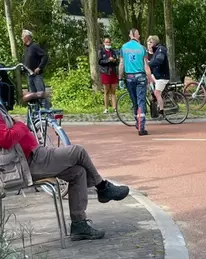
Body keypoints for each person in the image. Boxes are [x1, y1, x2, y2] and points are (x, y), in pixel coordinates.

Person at [0, 94, 130, 240]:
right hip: (28, 163)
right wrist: (21, 126)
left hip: (35, 156)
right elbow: (5, 139)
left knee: (78, 172)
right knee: (78, 151)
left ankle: (79, 225)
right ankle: (103, 188)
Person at [119, 28, 154, 136]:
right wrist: (150, 78)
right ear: (137, 35)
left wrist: (120, 78)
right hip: (141, 77)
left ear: (130, 35)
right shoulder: (142, 48)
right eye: (138, 34)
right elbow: (146, 65)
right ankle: (141, 127)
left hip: (129, 77)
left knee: (135, 101)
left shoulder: (123, 48)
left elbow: (121, 64)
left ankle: (137, 120)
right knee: (141, 101)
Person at [21, 30, 50, 109]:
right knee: (33, 96)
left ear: (27, 37)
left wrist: (39, 67)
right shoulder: (26, 48)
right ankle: (36, 114)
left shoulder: (34, 46)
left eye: (23, 37)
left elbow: (45, 56)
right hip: (29, 75)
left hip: (36, 75)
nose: (22, 38)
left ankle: (48, 112)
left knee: (41, 94)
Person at [146, 35, 170, 118]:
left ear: (155, 42)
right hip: (157, 75)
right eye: (148, 43)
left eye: (151, 42)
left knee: (157, 92)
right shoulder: (154, 51)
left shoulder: (160, 49)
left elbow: (159, 60)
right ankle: (153, 99)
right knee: (148, 79)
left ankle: (161, 111)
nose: (149, 44)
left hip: (162, 76)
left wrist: (148, 64)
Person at [98, 37, 119, 113]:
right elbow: (100, 62)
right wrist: (108, 60)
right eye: (106, 42)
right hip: (105, 73)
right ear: (104, 43)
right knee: (106, 91)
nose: (108, 43)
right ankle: (106, 108)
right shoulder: (101, 52)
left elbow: (117, 61)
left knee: (113, 91)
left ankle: (114, 107)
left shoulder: (113, 51)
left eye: (109, 42)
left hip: (113, 72)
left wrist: (114, 60)